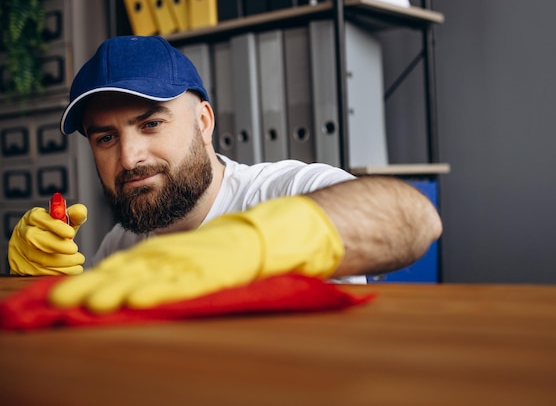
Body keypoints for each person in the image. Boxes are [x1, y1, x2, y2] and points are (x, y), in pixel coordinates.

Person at [8, 36, 442, 314]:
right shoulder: (118, 247)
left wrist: (255, 241)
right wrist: (36, 291)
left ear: (203, 121)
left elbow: (414, 217)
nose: (129, 157)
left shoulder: (289, 190)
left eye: (151, 124)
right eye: (105, 138)